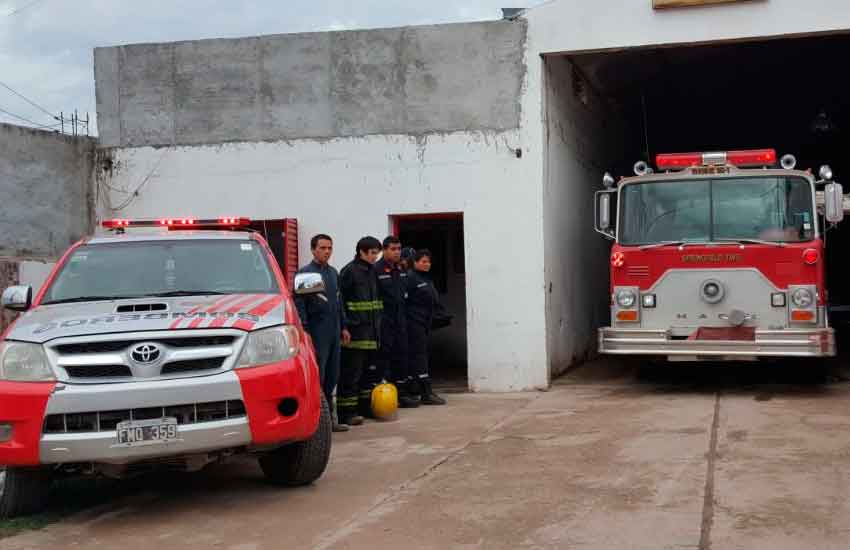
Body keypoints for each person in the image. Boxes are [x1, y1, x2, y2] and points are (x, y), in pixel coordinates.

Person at [294, 234, 351, 432]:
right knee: (318, 375)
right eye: (323, 248)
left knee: (332, 376)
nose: (327, 251)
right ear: (313, 250)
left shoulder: (333, 273)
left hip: (334, 330)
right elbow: (300, 305)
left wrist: (343, 326)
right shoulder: (306, 274)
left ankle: (329, 422)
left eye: (329, 248)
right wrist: (305, 329)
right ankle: (316, 423)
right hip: (317, 332)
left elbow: (338, 302)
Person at [338, 236, 383, 425]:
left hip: (372, 333)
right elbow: (340, 302)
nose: (375, 257)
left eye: (377, 253)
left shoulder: (372, 271)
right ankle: (346, 412)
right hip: (355, 333)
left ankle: (364, 408)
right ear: (361, 252)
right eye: (372, 253)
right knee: (351, 374)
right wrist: (344, 326)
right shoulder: (349, 272)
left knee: (368, 373)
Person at [375, 236, 419, 408]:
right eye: (393, 249)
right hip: (383, 321)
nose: (396, 252)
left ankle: (401, 393)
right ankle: (385, 395)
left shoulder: (400, 269)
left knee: (401, 356)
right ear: (384, 250)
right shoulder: (376, 270)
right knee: (383, 358)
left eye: (398, 249)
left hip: (400, 320)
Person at [405, 249, 447, 405]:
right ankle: (425, 392)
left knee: (421, 354)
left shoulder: (426, 278)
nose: (427, 264)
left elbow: (431, 299)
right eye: (423, 261)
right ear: (415, 262)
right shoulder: (410, 278)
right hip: (413, 323)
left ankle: (418, 389)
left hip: (424, 322)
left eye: (428, 261)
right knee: (419, 355)